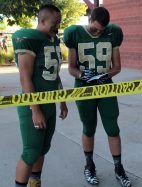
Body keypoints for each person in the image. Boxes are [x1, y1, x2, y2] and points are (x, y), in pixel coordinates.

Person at [64, 6, 131, 187]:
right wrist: (81, 75)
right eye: (95, 29)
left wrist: (105, 75)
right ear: (89, 19)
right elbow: (71, 67)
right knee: (88, 127)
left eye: (101, 30)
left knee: (112, 128)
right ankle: (89, 166)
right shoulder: (74, 33)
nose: (97, 32)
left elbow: (117, 67)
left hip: (105, 87)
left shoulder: (113, 32)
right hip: (84, 88)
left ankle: (118, 168)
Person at [12, 4, 68, 187]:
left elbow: (54, 74)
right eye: (55, 22)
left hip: (49, 104)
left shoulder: (52, 40)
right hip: (33, 106)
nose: (57, 26)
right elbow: (25, 77)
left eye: (59, 22)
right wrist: (35, 109)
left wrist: (62, 100)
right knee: (30, 152)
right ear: (42, 20)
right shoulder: (29, 37)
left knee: (42, 149)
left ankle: (35, 183)